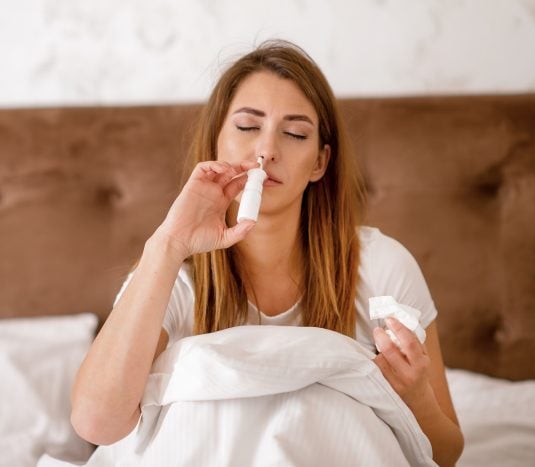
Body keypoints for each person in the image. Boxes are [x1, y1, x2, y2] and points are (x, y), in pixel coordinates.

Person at [70, 39, 464, 466]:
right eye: (246, 127)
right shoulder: (175, 276)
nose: (267, 150)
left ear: (319, 162)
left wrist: (416, 394)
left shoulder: (382, 265)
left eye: (295, 133)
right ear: (216, 142)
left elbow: (445, 456)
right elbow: (96, 423)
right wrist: (167, 244)